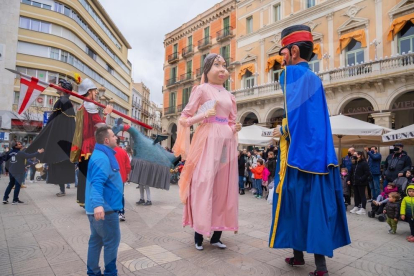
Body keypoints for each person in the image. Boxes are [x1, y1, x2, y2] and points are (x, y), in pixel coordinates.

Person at [269, 25, 350, 276]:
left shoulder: (292, 75)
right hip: (320, 156)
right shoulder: (315, 78)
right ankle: (315, 264)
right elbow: (310, 118)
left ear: (293, 50)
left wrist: (282, 130)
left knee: (295, 206)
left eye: (283, 53)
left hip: (299, 156)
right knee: (315, 208)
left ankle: (303, 259)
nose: (281, 60)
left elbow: (296, 117)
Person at [172, 53, 242, 251]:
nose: (222, 69)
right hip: (207, 140)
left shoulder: (230, 96)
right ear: (207, 69)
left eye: (224, 65)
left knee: (223, 187)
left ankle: (217, 235)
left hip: (226, 144)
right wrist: (203, 115)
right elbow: (184, 118)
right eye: (217, 64)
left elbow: (230, 120)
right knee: (203, 184)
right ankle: (198, 233)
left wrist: (234, 128)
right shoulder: (201, 90)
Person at [26, 79, 76, 197]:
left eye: (59, 85)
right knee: (59, 164)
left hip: (60, 138)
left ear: (64, 88)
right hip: (63, 139)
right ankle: (62, 189)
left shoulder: (62, 101)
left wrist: (49, 132)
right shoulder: (65, 101)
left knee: (58, 163)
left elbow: (55, 121)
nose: (56, 87)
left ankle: (62, 189)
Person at [85, 126, 123, 276]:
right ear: (106, 140)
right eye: (114, 136)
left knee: (96, 241)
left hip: (102, 208)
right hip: (105, 210)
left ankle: (93, 272)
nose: (116, 138)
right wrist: (98, 205)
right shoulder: (102, 157)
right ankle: (110, 273)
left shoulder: (102, 153)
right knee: (111, 243)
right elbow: (97, 183)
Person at [70, 78, 113, 207]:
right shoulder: (90, 106)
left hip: (85, 147)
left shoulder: (82, 107)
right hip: (91, 146)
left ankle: (84, 200)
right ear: (89, 92)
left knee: (85, 174)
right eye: (95, 91)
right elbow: (102, 126)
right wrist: (107, 114)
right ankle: (92, 201)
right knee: (95, 175)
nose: (96, 93)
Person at [114, 137, 131, 221]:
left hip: (111, 177)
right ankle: (121, 212)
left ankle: (113, 212)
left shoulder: (109, 152)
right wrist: (127, 175)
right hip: (121, 177)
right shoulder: (123, 152)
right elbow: (128, 166)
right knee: (121, 194)